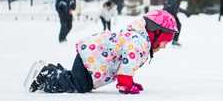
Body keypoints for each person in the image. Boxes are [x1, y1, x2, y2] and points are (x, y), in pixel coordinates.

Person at [25, 9, 178, 94]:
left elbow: (127, 63)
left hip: (93, 61)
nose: (164, 46)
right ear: (156, 33)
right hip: (90, 60)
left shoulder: (141, 40)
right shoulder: (138, 42)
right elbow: (126, 67)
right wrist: (126, 84)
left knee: (81, 82)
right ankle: (46, 76)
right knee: (79, 85)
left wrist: (131, 82)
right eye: (165, 41)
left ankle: (56, 71)